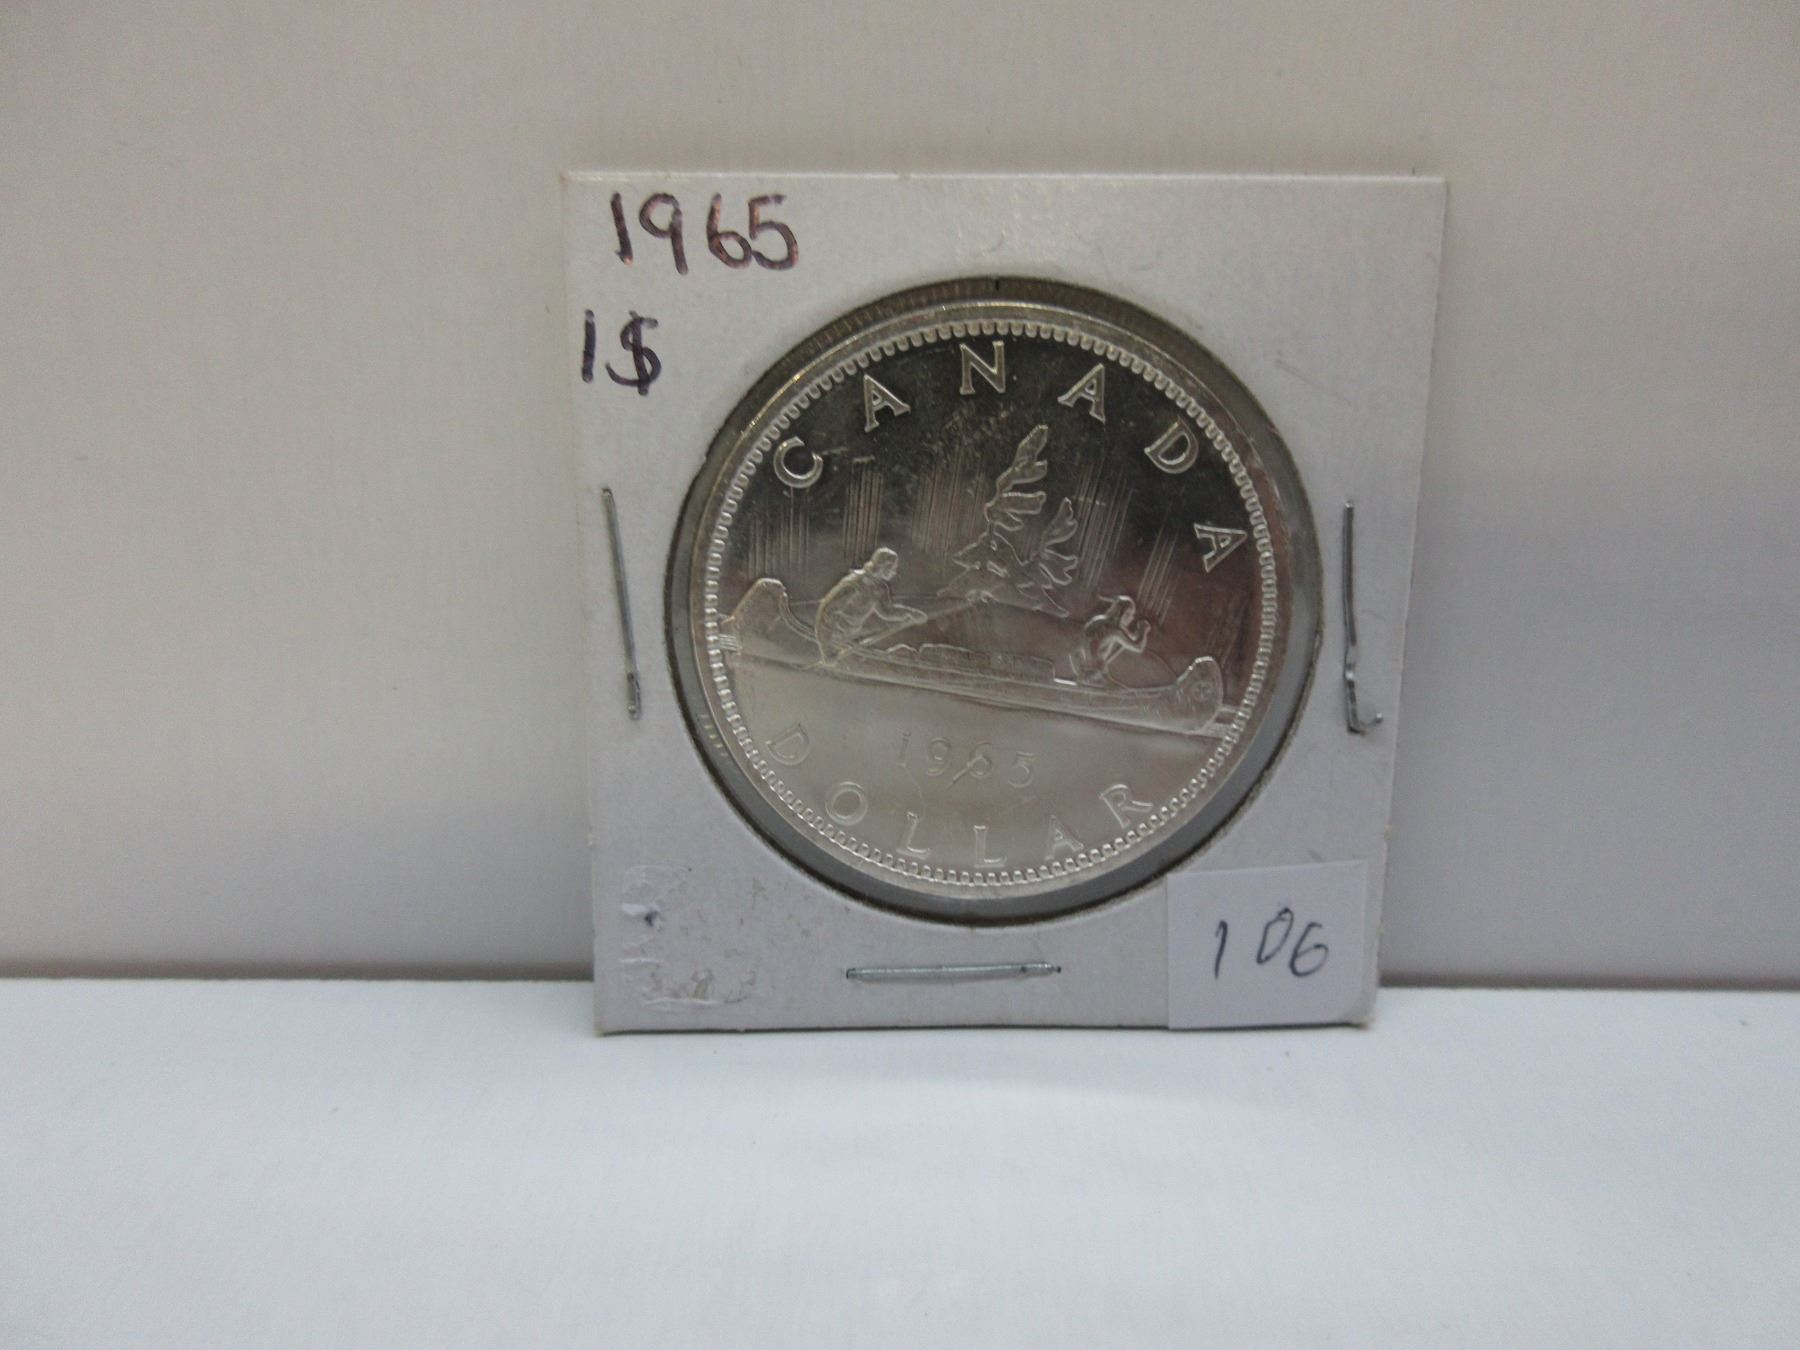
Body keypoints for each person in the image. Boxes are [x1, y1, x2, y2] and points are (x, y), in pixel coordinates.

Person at [813, 547, 926, 662]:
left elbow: (887, 612)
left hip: (853, 635)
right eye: (893, 568)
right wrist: (825, 651)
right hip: (834, 637)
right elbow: (827, 613)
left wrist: (910, 613)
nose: (894, 572)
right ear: (884, 566)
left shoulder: (880, 588)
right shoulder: (854, 584)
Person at [1073, 594, 1150, 685]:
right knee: (1113, 684)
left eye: (1132, 615)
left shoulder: (1099, 620)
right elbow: (1138, 647)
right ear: (1121, 613)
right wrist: (1143, 630)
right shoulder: (1115, 631)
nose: (1131, 618)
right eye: (1129, 614)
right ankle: (1090, 679)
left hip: (1078, 662)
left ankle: (1088, 677)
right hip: (1094, 670)